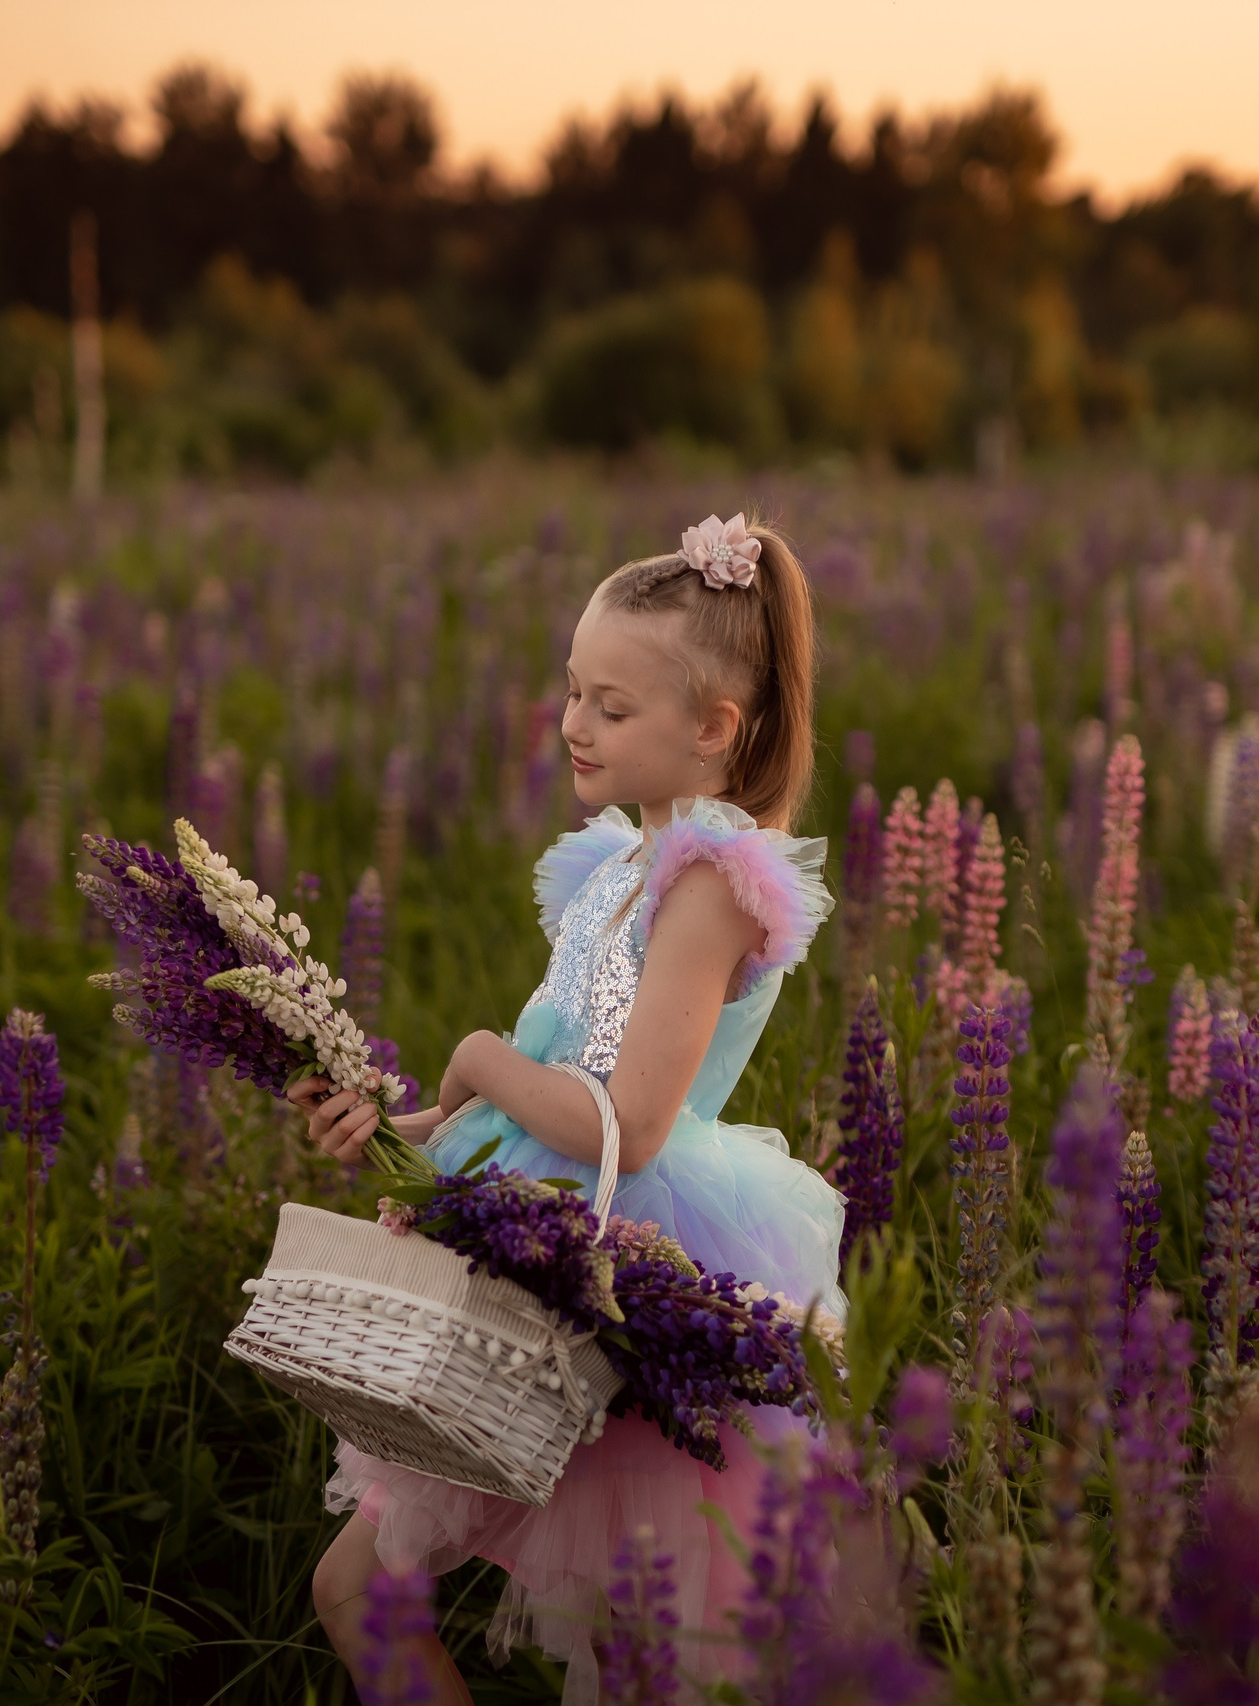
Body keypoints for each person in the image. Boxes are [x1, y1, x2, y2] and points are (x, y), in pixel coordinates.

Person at [287, 512, 844, 1705]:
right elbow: (551, 1073)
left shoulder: (709, 884)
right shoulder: (617, 864)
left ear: (710, 728)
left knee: (640, 1653)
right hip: (529, 1229)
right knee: (354, 1589)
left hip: (624, 1264)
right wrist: (400, 1126)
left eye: (610, 705)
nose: (572, 723)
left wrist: (478, 1057)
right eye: (572, 692)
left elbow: (630, 1123)